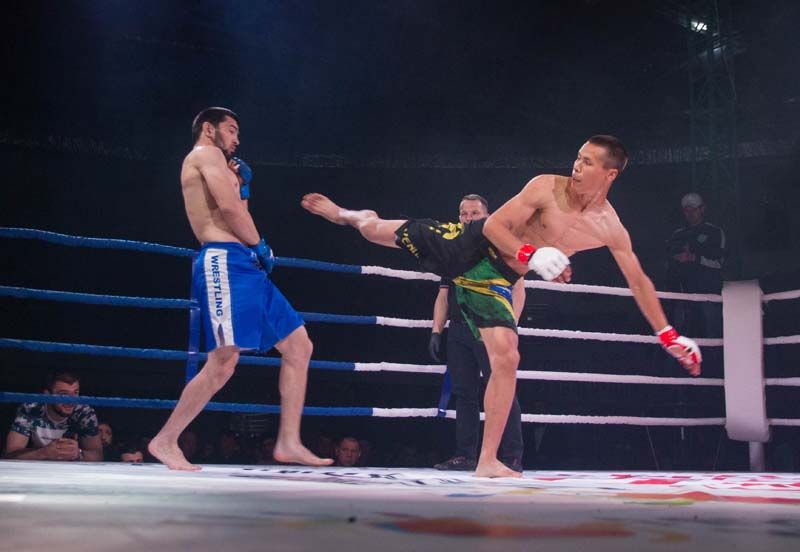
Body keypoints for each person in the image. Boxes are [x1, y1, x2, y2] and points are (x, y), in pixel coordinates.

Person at [301, 135, 702, 478]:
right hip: (469, 245)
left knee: (507, 357)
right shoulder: (546, 187)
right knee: (375, 230)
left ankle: (488, 460)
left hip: (493, 280)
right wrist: (533, 253)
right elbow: (493, 225)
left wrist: (669, 335)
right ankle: (349, 214)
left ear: (610, 174)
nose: (577, 166)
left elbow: (638, 280)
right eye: (578, 158)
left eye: (588, 162)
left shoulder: (609, 227)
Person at [148, 107, 332, 471]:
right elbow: (230, 211)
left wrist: (244, 186)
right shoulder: (204, 154)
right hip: (224, 260)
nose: (236, 138)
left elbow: (237, 207)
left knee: (299, 345)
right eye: (231, 130)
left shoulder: (222, 165)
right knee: (224, 360)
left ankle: (289, 441)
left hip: (244, 263)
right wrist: (259, 244)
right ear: (208, 128)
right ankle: (166, 439)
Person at [429, 194, 525, 472]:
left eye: (474, 213)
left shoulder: (498, 246)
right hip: (459, 328)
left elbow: (519, 289)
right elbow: (443, 295)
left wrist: (509, 327)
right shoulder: (453, 249)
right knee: (464, 393)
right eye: (464, 213)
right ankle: (466, 455)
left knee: (503, 388)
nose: (468, 218)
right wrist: (436, 331)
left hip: (490, 328)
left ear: (487, 216)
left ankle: (511, 456)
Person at [3, 370, 103, 462]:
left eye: (75, 393)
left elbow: (98, 455)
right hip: (36, 468)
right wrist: (45, 453)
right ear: (47, 395)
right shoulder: (31, 408)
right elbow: (11, 454)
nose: (71, 401)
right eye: (63, 394)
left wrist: (78, 454)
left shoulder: (83, 412)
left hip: (70, 471)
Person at [666, 192, 726, 338]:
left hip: (708, 293)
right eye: (687, 210)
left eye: (694, 209)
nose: (691, 213)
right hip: (683, 294)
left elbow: (719, 263)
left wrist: (694, 258)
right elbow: (669, 260)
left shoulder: (714, 231)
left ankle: (715, 353)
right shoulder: (678, 234)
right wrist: (676, 259)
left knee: (712, 332)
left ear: (702, 209)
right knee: (682, 333)